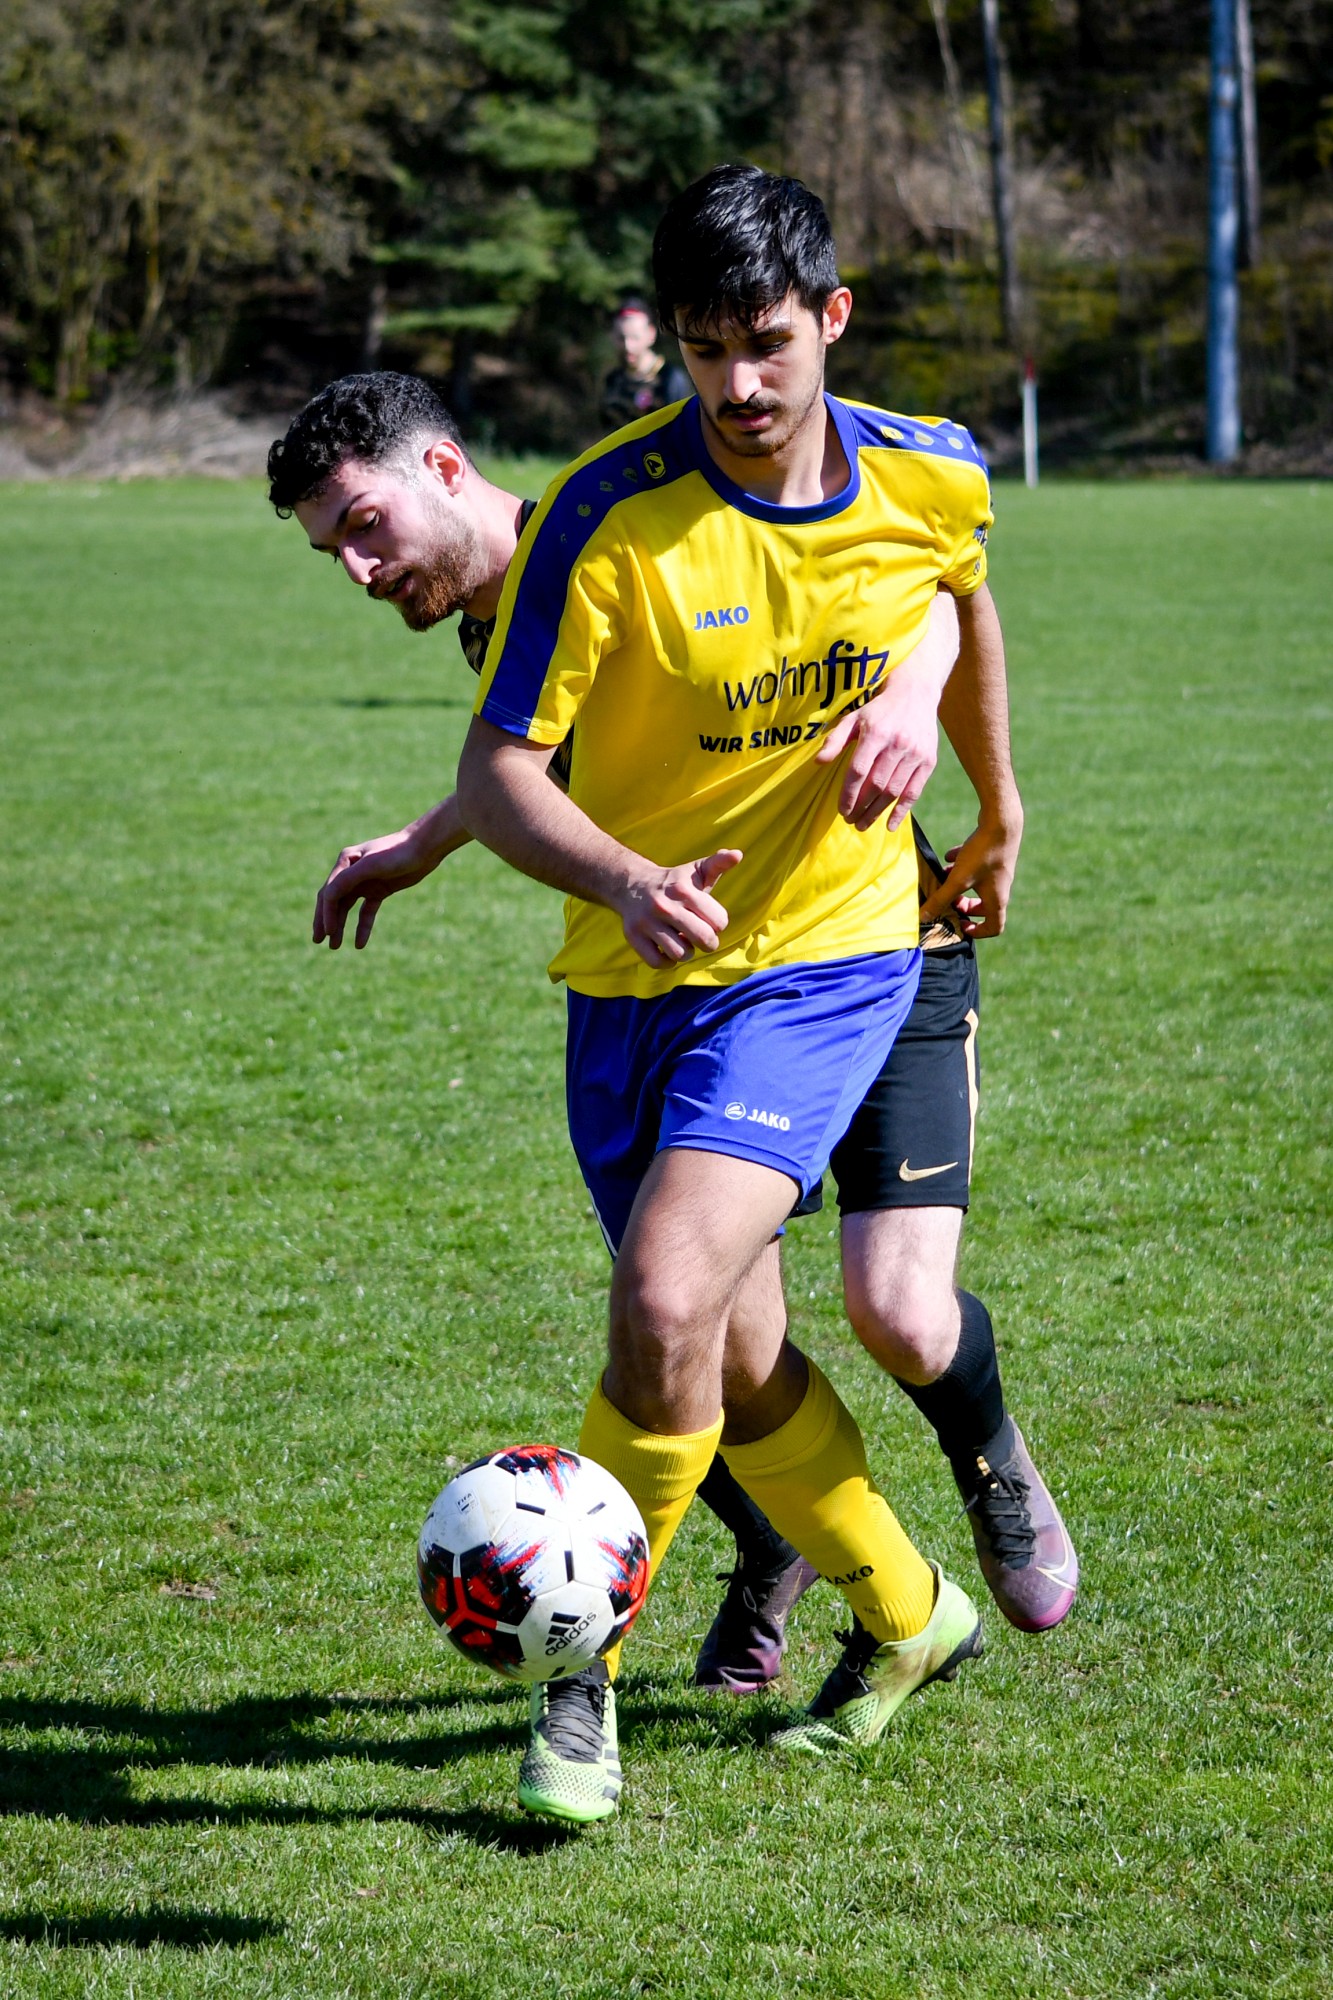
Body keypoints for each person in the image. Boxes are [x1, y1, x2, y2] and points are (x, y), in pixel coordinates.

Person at [451, 160, 1017, 1824]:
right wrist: (623, 878)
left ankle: (579, 1683)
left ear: (831, 319)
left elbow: (956, 600)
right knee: (733, 1359)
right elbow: (499, 776)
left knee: (661, 1292)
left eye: (766, 342)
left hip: (824, 961)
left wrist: (997, 800)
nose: (741, 385)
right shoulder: (601, 512)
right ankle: (914, 1617)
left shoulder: (932, 472)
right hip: (630, 980)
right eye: (706, 351)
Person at [598, 297, 691, 432]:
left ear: (651, 334)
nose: (627, 346)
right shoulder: (613, 380)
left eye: (635, 338)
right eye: (621, 338)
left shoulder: (670, 378)